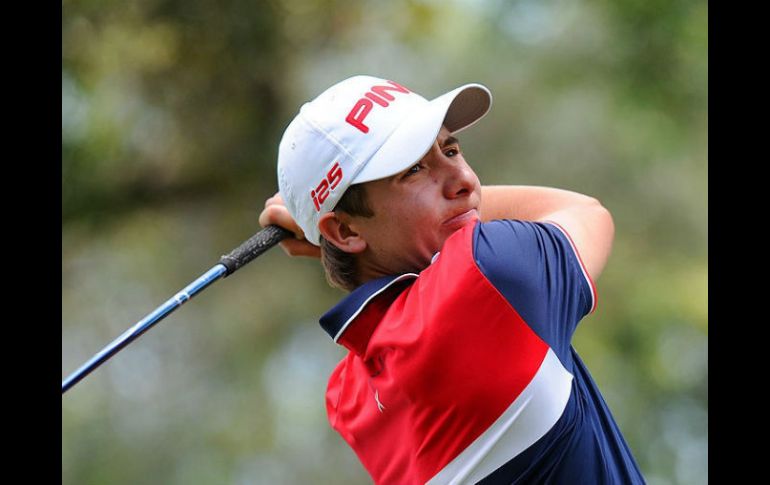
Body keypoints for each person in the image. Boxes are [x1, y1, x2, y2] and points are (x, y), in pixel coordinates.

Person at [259, 75, 645, 484]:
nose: (465, 180)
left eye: (451, 150)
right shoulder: (491, 272)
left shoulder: (349, 399)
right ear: (345, 230)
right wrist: (329, 238)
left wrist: (337, 240)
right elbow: (584, 211)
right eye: (414, 169)